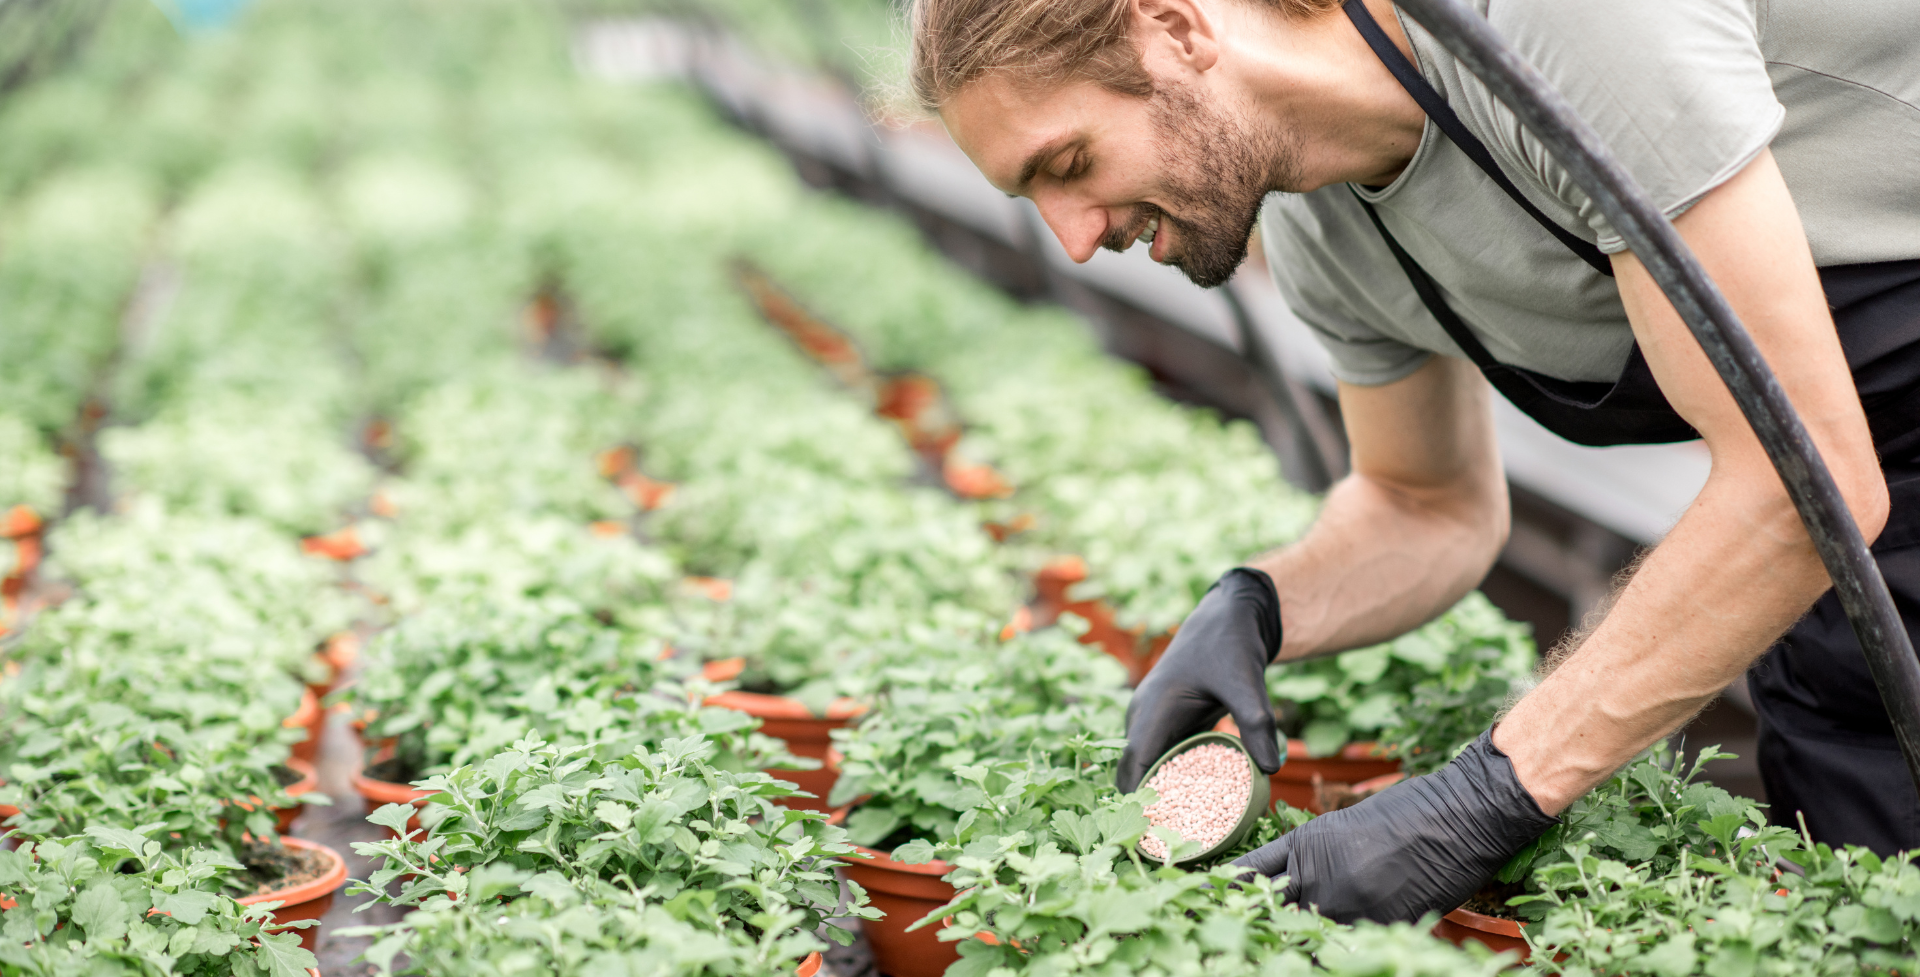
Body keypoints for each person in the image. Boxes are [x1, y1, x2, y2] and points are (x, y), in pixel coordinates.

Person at [910, 0, 1920, 923]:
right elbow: (1426, 500)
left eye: (1071, 163)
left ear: (1175, 29)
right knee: (1859, 877)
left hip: (1841, 468)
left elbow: (1802, 488)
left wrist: (1489, 792)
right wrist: (1259, 604)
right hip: (1863, 512)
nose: (1073, 240)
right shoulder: (1321, 227)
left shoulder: (1561, 26)